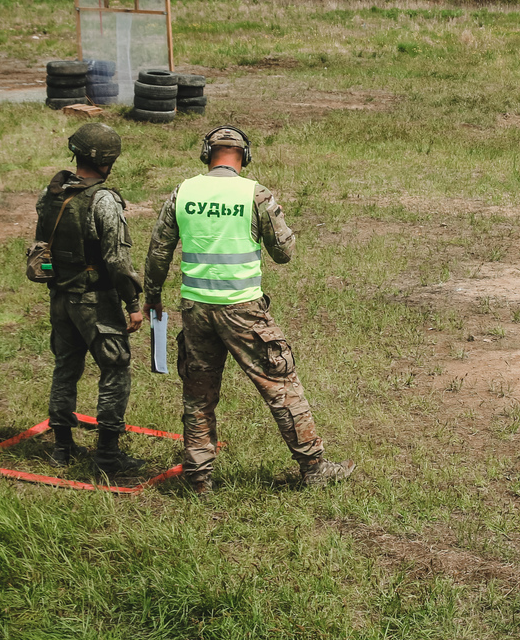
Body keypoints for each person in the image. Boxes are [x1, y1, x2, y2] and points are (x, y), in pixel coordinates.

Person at [145, 126, 354, 495]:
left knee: (199, 394)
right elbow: (283, 254)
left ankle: (198, 477)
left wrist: (152, 297)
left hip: (195, 309)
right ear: (246, 156)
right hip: (244, 310)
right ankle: (313, 466)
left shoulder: (183, 192)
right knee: (281, 385)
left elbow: (159, 250)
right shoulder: (255, 194)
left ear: (207, 154)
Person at [34, 122, 146, 476]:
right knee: (115, 368)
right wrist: (133, 305)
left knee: (65, 368)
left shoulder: (52, 193)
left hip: (60, 297)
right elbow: (116, 260)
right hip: (95, 301)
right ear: (106, 160)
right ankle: (108, 456)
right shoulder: (103, 200)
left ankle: (62, 448)